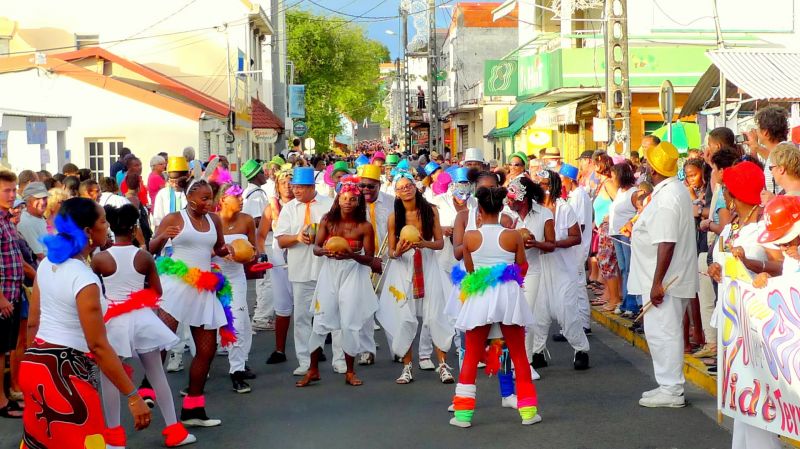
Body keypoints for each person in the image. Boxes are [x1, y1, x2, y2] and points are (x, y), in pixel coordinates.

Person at [22, 197, 151, 446]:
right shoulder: (83, 278)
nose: (108, 226)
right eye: (103, 221)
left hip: (35, 367)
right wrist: (132, 395)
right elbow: (98, 345)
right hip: (66, 375)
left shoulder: (47, 264)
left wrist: (31, 362)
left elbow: (32, 323)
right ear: (88, 232)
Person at [92, 205, 194, 448]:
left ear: (111, 229)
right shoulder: (144, 256)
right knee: (156, 373)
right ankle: (174, 430)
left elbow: (93, 291)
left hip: (113, 320)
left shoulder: (99, 259)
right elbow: (157, 292)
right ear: (135, 227)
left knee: (109, 377)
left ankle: (114, 437)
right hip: (142, 318)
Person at [445, 186, 539, 428]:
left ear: (479, 210)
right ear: (500, 209)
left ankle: (463, 415)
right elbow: (522, 268)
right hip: (508, 296)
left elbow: (470, 271)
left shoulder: (470, 237)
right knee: (518, 355)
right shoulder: (513, 235)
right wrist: (504, 278)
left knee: (471, 355)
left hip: (480, 297)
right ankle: (528, 413)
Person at [705, 161, 782, 449]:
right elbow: (724, 263)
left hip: (755, 322)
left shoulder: (765, 227)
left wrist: (751, 263)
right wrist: (716, 268)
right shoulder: (732, 228)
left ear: (738, 195)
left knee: (757, 400)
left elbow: (783, 265)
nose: (725, 198)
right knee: (739, 400)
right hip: (731, 322)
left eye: (728, 192)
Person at [149, 179, 236, 427]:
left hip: (203, 288)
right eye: (204, 198)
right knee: (164, 338)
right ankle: (147, 390)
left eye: (211, 198)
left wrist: (225, 249)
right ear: (190, 199)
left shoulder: (214, 220)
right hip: (176, 284)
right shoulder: (175, 218)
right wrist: (163, 236)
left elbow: (217, 248)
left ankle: (193, 410)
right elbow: (151, 247)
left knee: (206, 350)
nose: (209, 202)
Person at [629, 141, 699, 408]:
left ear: (654, 169)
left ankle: (671, 389)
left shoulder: (668, 197)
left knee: (664, 333)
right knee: (662, 332)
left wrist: (657, 282)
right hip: (664, 277)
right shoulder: (670, 191)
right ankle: (667, 385)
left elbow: (666, 241)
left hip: (665, 280)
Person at [296, 176, 379, 387]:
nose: (348, 202)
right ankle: (313, 369)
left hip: (353, 273)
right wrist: (322, 251)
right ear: (338, 199)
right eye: (344, 198)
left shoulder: (364, 226)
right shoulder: (327, 220)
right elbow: (315, 248)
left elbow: (370, 258)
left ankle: (350, 372)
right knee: (320, 319)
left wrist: (351, 255)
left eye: (353, 199)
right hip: (330, 272)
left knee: (349, 322)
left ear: (358, 201)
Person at [376, 171, 455, 384]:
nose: (405, 190)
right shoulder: (394, 217)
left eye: (408, 186)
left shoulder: (431, 211)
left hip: (428, 264)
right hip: (403, 268)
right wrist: (400, 250)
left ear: (415, 187)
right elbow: (391, 253)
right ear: (396, 193)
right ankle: (407, 367)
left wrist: (423, 244)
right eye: (400, 188)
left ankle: (443, 366)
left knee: (435, 314)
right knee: (404, 317)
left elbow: (439, 243)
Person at [273, 167, 335, 376]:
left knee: (331, 314)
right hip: (299, 270)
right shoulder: (289, 208)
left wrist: (323, 238)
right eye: (294, 187)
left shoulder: (328, 204)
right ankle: (304, 360)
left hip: (326, 268)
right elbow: (281, 240)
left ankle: (340, 359)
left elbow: (338, 232)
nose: (296, 191)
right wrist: (297, 238)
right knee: (301, 316)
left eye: (300, 187)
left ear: (311, 187)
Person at [529, 170, 590, 370]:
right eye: (539, 183)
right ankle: (537, 352)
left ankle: (581, 350)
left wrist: (554, 244)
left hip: (563, 269)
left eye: (545, 183)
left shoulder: (564, 208)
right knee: (538, 312)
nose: (542, 187)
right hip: (540, 268)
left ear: (553, 185)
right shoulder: (533, 210)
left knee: (566, 311)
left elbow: (576, 237)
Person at [504, 176, 554, 362]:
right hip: (509, 272)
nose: (509, 202)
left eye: (512, 199)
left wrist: (536, 244)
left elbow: (551, 244)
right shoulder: (507, 215)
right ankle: (513, 356)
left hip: (532, 271)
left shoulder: (544, 214)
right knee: (510, 317)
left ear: (523, 200)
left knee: (526, 315)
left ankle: (526, 360)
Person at [213, 184, 257, 393]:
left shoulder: (247, 220)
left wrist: (251, 254)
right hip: (214, 277)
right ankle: (201, 369)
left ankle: (237, 370)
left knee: (238, 321)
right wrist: (221, 253)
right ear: (222, 200)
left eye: (241, 196)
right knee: (208, 324)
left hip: (237, 277)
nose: (241, 199)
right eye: (236, 196)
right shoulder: (212, 221)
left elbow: (254, 249)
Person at [355, 164, 393, 366]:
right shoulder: (353, 203)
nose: (365, 190)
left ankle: (397, 348)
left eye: (370, 186)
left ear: (379, 185)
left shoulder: (392, 203)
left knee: (391, 304)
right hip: (362, 261)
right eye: (362, 186)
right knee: (364, 307)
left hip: (387, 260)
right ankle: (366, 350)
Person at [260, 166, 295, 363]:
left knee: (307, 303)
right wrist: (261, 254)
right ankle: (279, 350)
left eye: (291, 182)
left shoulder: (302, 205)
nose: (288, 187)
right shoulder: (272, 207)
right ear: (278, 187)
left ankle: (313, 348)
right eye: (283, 183)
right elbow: (261, 236)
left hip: (301, 256)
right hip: (279, 258)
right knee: (282, 304)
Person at [0, 171, 24, 419]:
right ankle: (1, 402)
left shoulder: (7, 219)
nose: (12, 195)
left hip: (13, 294)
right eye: (7, 190)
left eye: (14, 190)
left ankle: (5, 397)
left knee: (6, 349)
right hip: (3, 297)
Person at [560, 163, 593, 331]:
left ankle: (583, 324)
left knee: (578, 285)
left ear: (568, 179)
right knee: (573, 285)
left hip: (577, 248)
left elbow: (580, 225)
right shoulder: (574, 195)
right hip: (574, 248)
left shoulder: (579, 195)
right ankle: (575, 324)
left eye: (562, 178)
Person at [609, 162, 639, 316]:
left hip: (626, 235)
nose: (612, 179)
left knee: (629, 268)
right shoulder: (620, 191)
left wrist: (630, 223)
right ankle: (626, 300)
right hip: (616, 233)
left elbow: (640, 211)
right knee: (622, 268)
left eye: (614, 176)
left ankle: (631, 303)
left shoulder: (633, 193)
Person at [591, 153, 620, 312]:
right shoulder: (602, 184)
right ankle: (611, 295)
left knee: (608, 262)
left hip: (609, 228)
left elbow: (618, 201)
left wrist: (610, 216)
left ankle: (615, 298)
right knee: (604, 263)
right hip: (602, 228)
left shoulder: (609, 183)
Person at [755, 195, 800, 286]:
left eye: (787, 242)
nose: (782, 248)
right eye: (778, 244)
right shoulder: (790, 258)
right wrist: (769, 281)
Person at [744, 105, 789, 195]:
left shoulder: (785, 152)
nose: (756, 131)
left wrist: (774, 199)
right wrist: (755, 148)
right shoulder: (783, 151)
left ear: (766, 132)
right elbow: (773, 158)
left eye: (758, 128)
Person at [152, 157, 190, 230]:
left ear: (187, 177)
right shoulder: (163, 194)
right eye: (172, 181)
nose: (175, 185)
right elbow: (158, 222)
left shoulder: (191, 193)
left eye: (178, 181)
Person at [18, 182, 49, 260]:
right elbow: (40, 255)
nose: (43, 202)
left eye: (45, 198)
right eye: (37, 199)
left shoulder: (40, 218)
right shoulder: (25, 222)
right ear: (28, 201)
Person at [241, 159, 269, 226]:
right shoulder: (256, 194)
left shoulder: (248, 191)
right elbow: (257, 221)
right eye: (262, 172)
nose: (264, 174)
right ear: (256, 176)